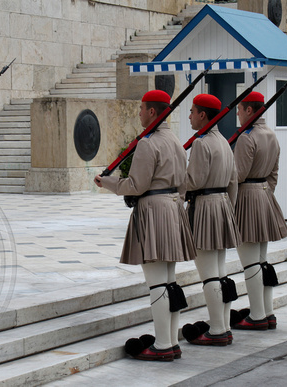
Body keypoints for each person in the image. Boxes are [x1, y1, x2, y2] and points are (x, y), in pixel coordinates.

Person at [94, 90, 196, 362]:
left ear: (152, 112)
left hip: (154, 211)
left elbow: (136, 185)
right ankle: (172, 342)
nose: (138, 113)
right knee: (169, 281)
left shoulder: (148, 143)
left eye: (141, 109)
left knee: (157, 284)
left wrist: (108, 182)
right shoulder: (175, 140)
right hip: (173, 208)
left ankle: (162, 345)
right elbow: (184, 183)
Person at [184, 94, 240, 346]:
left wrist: (173, 190)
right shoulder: (224, 142)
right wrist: (228, 206)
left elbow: (193, 181)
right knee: (219, 271)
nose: (190, 116)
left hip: (205, 207)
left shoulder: (201, 143)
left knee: (209, 275)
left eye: (192, 111)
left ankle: (217, 330)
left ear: (203, 115)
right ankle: (224, 326)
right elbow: (233, 182)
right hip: (222, 205)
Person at [233, 91, 287, 330]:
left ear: (249, 110)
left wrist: (232, 203)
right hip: (265, 195)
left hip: (248, 197)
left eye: (240, 109)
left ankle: (256, 316)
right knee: (261, 260)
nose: (237, 113)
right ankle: (267, 312)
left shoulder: (247, 137)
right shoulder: (271, 135)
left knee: (250, 262)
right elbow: (274, 173)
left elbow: (238, 175)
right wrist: (265, 192)